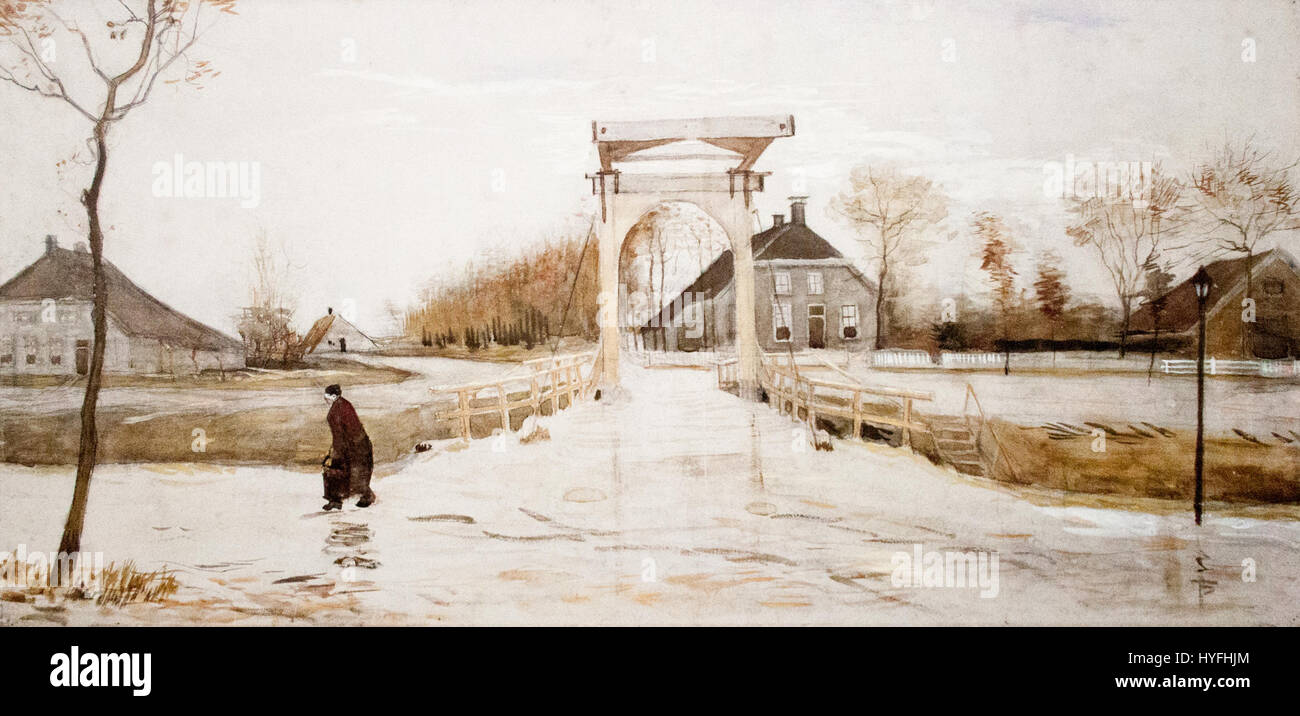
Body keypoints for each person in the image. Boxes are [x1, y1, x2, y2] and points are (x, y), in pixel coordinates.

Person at [321, 384, 375, 510]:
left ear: (334, 396)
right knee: (352, 472)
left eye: (327, 397)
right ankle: (336, 500)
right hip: (358, 444)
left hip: (356, 447)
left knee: (342, 471)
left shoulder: (335, 412)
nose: (325, 400)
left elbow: (339, 435)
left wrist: (335, 452)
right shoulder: (344, 403)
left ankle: (364, 497)